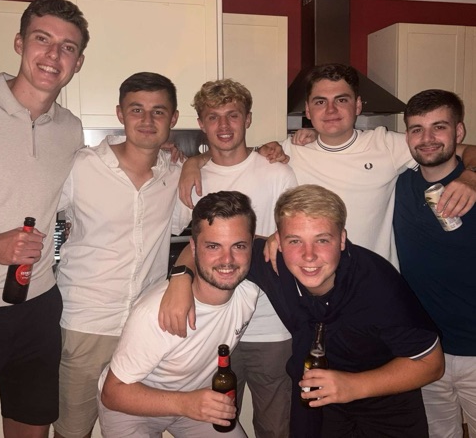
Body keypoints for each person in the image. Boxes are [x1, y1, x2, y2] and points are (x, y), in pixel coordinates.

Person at [163, 184, 445, 438]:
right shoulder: (274, 264)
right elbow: (209, 245)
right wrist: (179, 279)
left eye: (322, 240)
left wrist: (353, 386)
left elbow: (432, 364)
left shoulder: (378, 286)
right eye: (295, 240)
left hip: (385, 410)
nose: (308, 255)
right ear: (279, 241)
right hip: (319, 408)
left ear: (342, 240)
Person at [180, 64, 476, 269]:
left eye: (341, 100)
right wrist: (195, 161)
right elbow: (234, 151)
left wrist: (470, 177)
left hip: (374, 284)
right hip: (312, 282)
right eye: (320, 102)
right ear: (308, 111)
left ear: (357, 106)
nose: (331, 110)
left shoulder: (387, 144)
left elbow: (461, 150)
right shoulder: (291, 150)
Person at [53, 72, 190, 438]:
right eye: (136, 109)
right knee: (73, 429)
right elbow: (38, 210)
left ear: (173, 118)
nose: (147, 120)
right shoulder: (82, 166)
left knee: (133, 428)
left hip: (144, 327)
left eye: (159, 111)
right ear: (120, 113)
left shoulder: (177, 175)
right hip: (86, 323)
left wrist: (193, 161)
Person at [0, 0, 89, 438]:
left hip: (38, 305)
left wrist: (175, 155)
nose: (53, 54)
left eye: (68, 47)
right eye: (43, 39)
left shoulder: (71, 128)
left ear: (78, 63)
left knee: (32, 427)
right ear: (20, 43)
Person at [172, 78, 297, 437]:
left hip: (271, 324)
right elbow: (184, 239)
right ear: (201, 123)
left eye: (233, 115)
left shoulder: (276, 171)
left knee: (276, 427)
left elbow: (293, 238)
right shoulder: (192, 178)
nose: (223, 126)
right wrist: (190, 162)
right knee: (217, 425)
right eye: (213, 117)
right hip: (213, 325)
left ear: (248, 119)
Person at [98, 191, 260, 437]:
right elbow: (112, 393)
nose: (227, 260)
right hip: (133, 403)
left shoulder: (249, 292)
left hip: (196, 399)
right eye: (213, 246)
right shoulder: (154, 313)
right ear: (193, 248)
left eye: (238, 246)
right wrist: (185, 403)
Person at [393, 89, 476, 438]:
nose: (426, 138)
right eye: (417, 129)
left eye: (439, 127)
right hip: (426, 351)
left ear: (459, 132)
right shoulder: (398, 183)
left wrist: (471, 175)